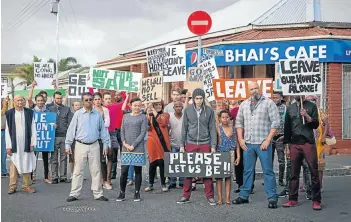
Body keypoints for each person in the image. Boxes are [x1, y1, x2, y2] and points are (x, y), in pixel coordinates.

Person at [232, 82, 280, 209]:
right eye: (251, 89)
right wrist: (241, 140)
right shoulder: (244, 104)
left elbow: (276, 123)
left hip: (263, 143)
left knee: (268, 171)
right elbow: (239, 123)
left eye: (256, 88)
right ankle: (244, 195)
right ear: (248, 91)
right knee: (247, 170)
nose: (254, 91)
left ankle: (272, 197)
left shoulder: (269, 103)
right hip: (248, 143)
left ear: (260, 89)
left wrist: (268, 140)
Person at [65, 92, 110, 202]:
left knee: (96, 171)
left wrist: (105, 144)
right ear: (82, 101)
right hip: (80, 145)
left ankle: (98, 194)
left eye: (91, 99)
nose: (89, 101)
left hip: (94, 145)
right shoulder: (78, 114)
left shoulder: (98, 114)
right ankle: (74, 193)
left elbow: (103, 131)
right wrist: (68, 144)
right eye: (86, 100)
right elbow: (71, 130)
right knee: (78, 171)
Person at [177, 88, 217, 206]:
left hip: (205, 143)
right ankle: (185, 196)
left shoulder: (209, 111)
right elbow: (184, 128)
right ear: (193, 99)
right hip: (191, 143)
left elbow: (212, 129)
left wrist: (213, 145)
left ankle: (210, 197)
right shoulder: (188, 110)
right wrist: (181, 145)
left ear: (203, 98)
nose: (199, 101)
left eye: (201, 98)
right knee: (189, 171)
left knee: (207, 171)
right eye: (196, 98)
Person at [282, 96, 322, 210]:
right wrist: (287, 147)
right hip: (294, 144)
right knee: (293, 173)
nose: (298, 94)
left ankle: (316, 200)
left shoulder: (311, 106)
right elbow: (287, 128)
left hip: (308, 143)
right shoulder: (290, 108)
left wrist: (307, 116)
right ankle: (292, 199)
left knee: (313, 172)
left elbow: (316, 124)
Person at [117, 97, 148, 202]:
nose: (137, 107)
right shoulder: (125, 116)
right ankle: (122, 192)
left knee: (137, 171)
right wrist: (124, 142)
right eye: (135, 105)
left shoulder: (143, 117)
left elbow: (143, 132)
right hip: (126, 147)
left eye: (139, 105)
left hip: (138, 148)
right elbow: (122, 130)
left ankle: (137, 192)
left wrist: (133, 145)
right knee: (124, 171)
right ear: (130, 106)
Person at [5, 95, 37, 194]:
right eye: (18, 100)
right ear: (14, 101)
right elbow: (7, 130)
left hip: (26, 142)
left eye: (22, 100)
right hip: (15, 143)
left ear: (24, 101)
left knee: (27, 163)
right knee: (14, 163)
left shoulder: (29, 112)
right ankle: (12, 186)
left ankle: (26, 186)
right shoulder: (9, 113)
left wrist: (32, 143)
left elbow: (33, 128)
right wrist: (8, 146)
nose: (20, 102)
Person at [144, 101, 171, 192]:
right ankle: (150, 184)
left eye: (160, 105)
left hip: (162, 142)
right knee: (152, 163)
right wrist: (147, 115)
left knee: (162, 163)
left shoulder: (166, 114)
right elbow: (147, 128)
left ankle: (163, 184)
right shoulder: (150, 116)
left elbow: (163, 122)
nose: (158, 106)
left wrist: (154, 112)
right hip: (152, 142)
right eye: (156, 105)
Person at [305, 95, 330, 192]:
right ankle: (308, 184)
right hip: (307, 140)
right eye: (309, 100)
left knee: (319, 165)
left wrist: (324, 136)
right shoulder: (305, 111)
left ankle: (319, 185)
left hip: (319, 141)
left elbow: (327, 124)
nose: (311, 102)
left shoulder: (320, 111)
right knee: (307, 164)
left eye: (313, 100)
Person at [48, 91, 73, 184]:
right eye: (57, 98)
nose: (59, 99)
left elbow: (71, 122)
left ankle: (63, 176)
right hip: (53, 136)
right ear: (54, 99)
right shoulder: (50, 109)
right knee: (53, 157)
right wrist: (50, 124)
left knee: (63, 157)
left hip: (64, 136)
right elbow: (46, 122)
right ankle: (54, 176)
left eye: (60, 98)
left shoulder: (67, 109)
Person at [216, 110, 240, 205]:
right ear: (220, 118)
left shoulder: (233, 129)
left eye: (227, 117)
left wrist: (238, 156)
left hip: (230, 153)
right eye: (223, 117)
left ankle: (227, 198)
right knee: (218, 177)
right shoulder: (217, 128)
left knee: (228, 176)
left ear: (230, 118)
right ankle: (219, 198)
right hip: (219, 153)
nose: (225, 119)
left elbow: (237, 143)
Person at [32, 94, 54, 184]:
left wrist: (53, 125)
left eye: (42, 100)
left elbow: (50, 123)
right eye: (38, 100)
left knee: (46, 158)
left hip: (45, 138)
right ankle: (31, 176)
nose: (40, 102)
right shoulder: (31, 112)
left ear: (44, 101)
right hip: (34, 138)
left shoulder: (48, 111)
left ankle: (46, 176)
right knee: (33, 158)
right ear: (36, 101)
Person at [93, 92, 112, 190]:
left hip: (105, 137)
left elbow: (107, 124)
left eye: (99, 99)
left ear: (102, 100)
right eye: (95, 99)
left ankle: (105, 181)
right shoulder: (91, 110)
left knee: (104, 159)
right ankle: (97, 180)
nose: (97, 101)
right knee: (96, 161)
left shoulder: (105, 110)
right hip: (94, 138)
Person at [272, 91, 287, 186]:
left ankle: (281, 179)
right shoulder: (269, 107)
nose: (275, 99)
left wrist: (285, 135)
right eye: (273, 98)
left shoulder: (286, 108)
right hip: (270, 136)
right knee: (268, 160)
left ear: (281, 98)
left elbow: (288, 123)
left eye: (276, 97)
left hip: (281, 137)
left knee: (281, 160)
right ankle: (268, 179)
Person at [168, 101, 185, 189]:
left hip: (183, 144)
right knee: (173, 163)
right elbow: (167, 128)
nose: (178, 108)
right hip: (173, 143)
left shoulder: (185, 116)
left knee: (182, 163)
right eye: (176, 106)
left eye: (180, 106)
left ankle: (182, 182)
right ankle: (172, 182)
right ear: (173, 108)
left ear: (182, 107)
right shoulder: (170, 116)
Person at [68, 101, 81, 179]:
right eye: (76, 105)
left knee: (80, 157)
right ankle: (72, 173)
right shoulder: (70, 115)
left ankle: (79, 173)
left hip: (80, 139)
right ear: (73, 107)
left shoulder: (84, 115)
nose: (78, 106)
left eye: (79, 105)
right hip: (73, 138)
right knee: (72, 157)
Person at [1, 98, 10, 177]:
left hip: (4, 132)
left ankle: (3, 170)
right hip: (1, 132)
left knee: (3, 153)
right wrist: (5, 103)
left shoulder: (5, 111)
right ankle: (3, 171)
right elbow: (3, 111)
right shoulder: (2, 111)